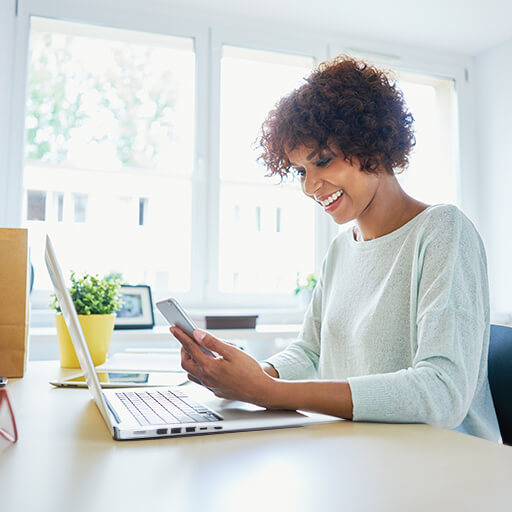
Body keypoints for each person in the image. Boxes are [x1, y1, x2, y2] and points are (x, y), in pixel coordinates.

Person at [171, 55, 500, 441]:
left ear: (372, 146)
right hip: (363, 454)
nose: (310, 186)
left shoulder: (443, 231)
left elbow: (442, 392)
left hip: (449, 467)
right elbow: (311, 353)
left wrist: (270, 393)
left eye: (322, 161)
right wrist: (251, 375)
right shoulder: (342, 250)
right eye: (300, 171)